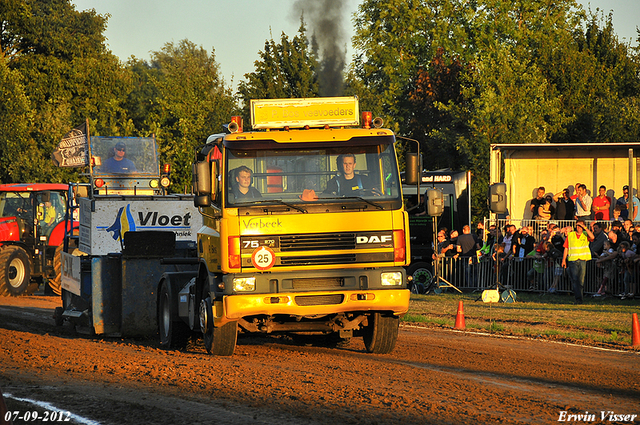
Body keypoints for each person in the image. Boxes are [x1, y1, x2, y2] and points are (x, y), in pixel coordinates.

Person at [561, 219, 595, 304]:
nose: (578, 227)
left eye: (580, 226)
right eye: (577, 226)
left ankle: (580, 298)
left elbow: (592, 237)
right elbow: (566, 248)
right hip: (573, 260)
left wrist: (585, 228)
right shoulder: (571, 235)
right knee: (575, 280)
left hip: (583, 260)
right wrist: (563, 260)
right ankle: (578, 299)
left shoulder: (585, 234)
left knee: (581, 281)